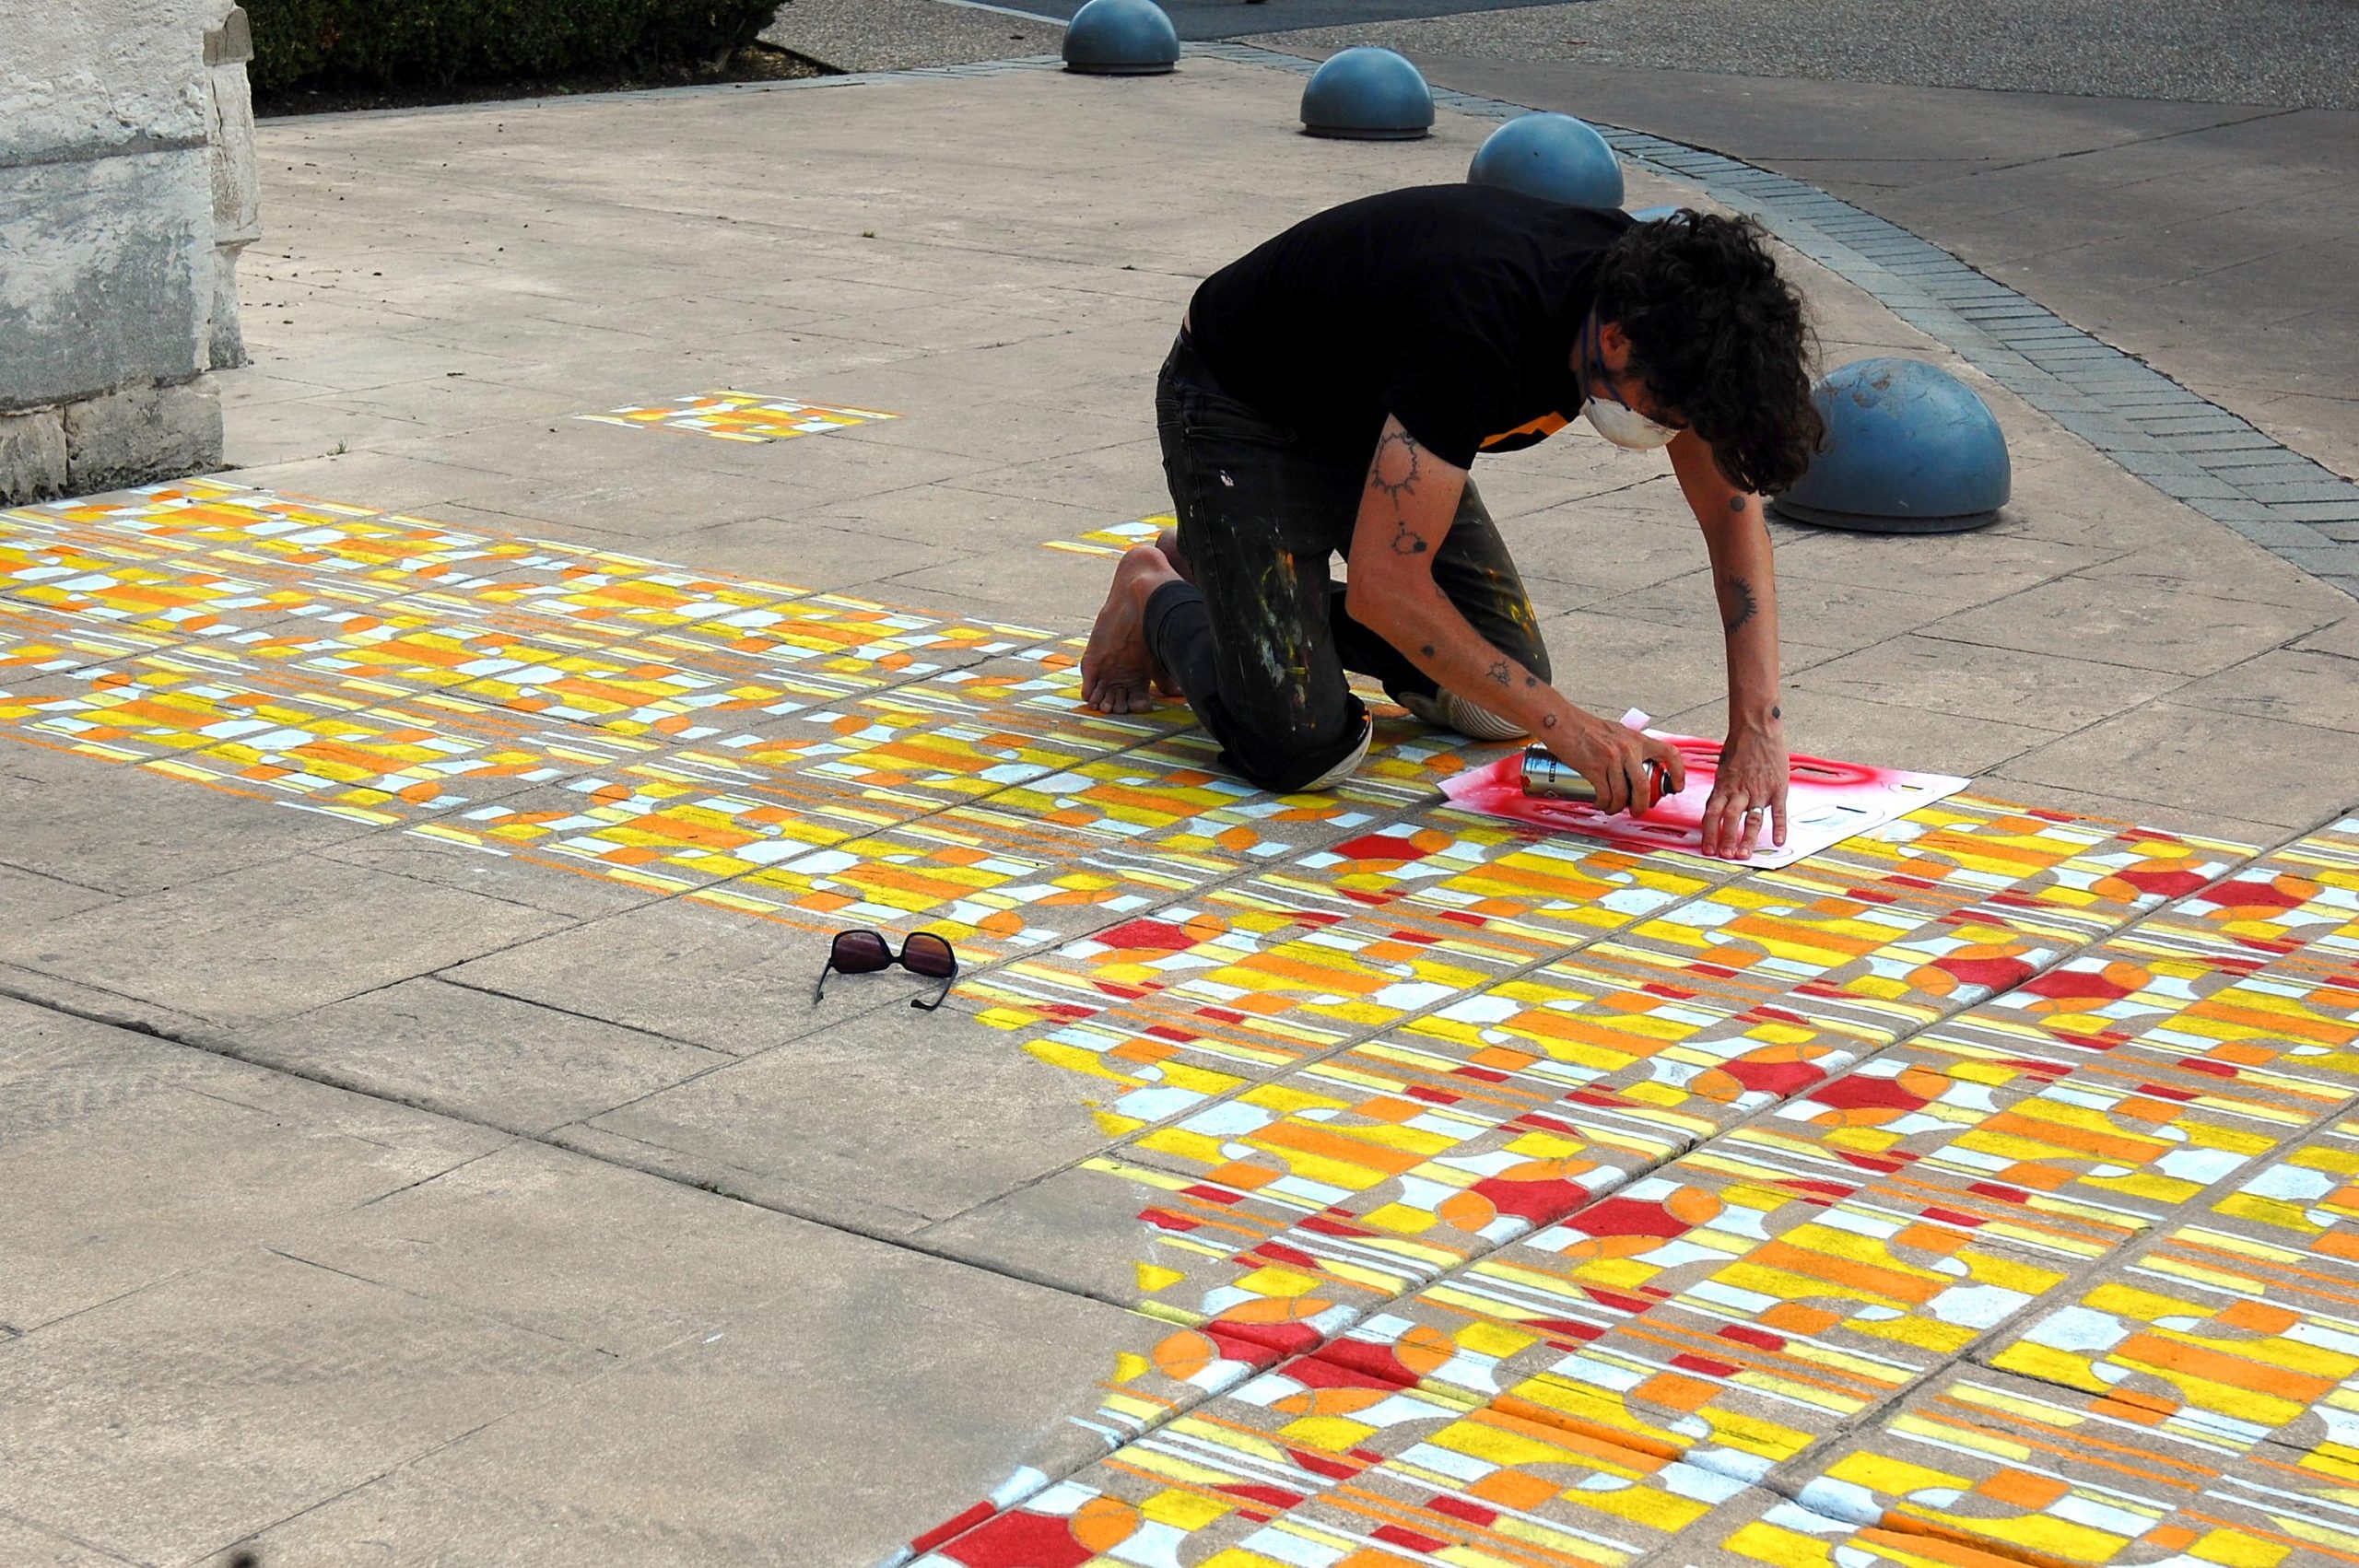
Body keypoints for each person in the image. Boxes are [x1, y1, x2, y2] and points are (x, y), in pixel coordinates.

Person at [1079, 184, 1825, 860]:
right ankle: (1155, 592)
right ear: (1615, 342)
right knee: (1298, 747)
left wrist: (1758, 729)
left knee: (1493, 701)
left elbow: (1732, 523)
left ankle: (1230, 570)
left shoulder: (1673, 321)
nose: (1669, 434)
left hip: (1376, 416)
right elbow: (1384, 588)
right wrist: (1573, 729)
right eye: (1666, 417)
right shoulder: (1478, 320)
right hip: (1240, 401)